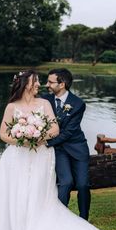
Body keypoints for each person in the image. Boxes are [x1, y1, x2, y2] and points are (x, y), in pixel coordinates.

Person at [0, 69, 116, 230]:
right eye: (36, 81)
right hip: (18, 155)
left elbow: (55, 129)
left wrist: (36, 137)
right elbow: (3, 134)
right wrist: (22, 139)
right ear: (26, 84)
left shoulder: (46, 103)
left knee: (46, 190)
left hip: (45, 152)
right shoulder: (12, 107)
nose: (40, 84)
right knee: (18, 190)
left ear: (63, 83)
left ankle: (66, 222)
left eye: (45, 81)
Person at [42, 68, 91, 219]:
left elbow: (69, 132)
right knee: (66, 182)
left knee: (83, 185)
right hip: (59, 150)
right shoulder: (45, 101)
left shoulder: (78, 104)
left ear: (62, 84)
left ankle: (84, 219)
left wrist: (47, 143)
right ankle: (60, 219)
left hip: (77, 148)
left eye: (50, 82)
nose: (47, 85)